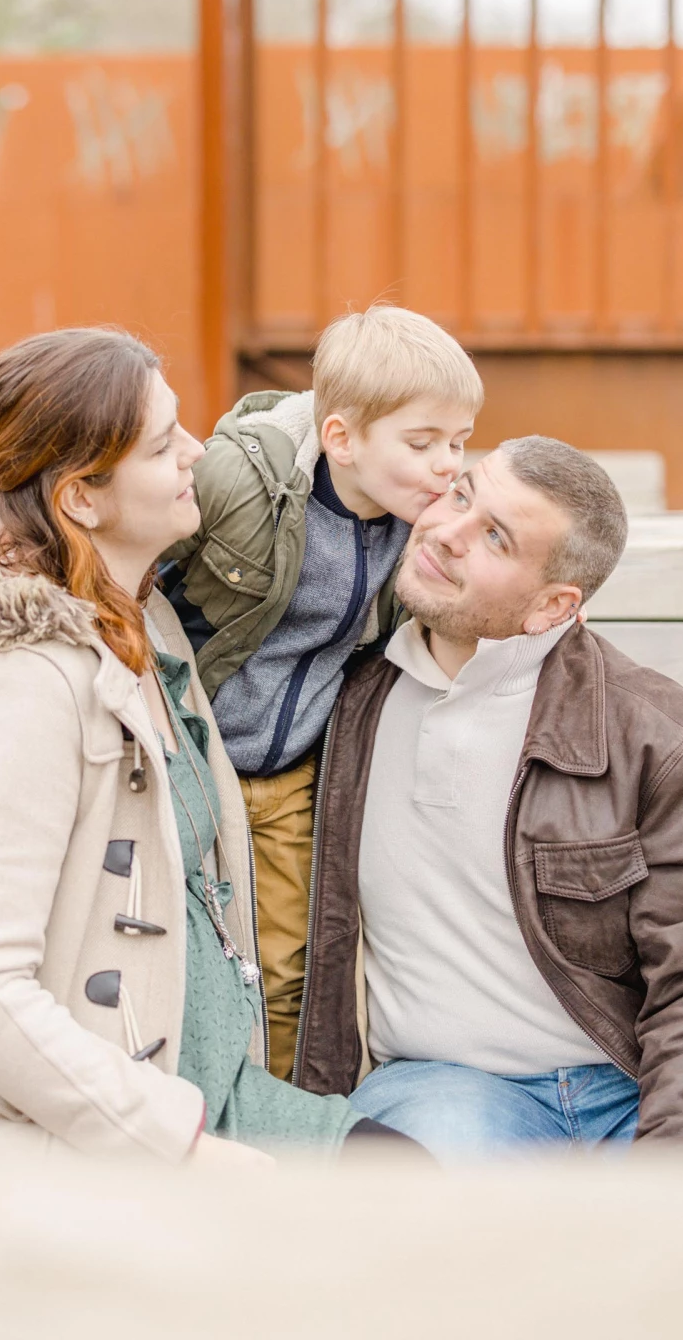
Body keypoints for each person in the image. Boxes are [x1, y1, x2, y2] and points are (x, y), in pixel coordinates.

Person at [0, 326, 405, 1162]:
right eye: (165, 444)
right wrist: (184, 1153)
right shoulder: (20, 686)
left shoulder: (147, 619)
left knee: (415, 1173)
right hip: (51, 1143)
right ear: (82, 500)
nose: (198, 453)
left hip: (204, 1089)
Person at [291, 437, 683, 1174]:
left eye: (496, 537)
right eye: (461, 495)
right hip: (454, 1088)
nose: (448, 534)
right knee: (421, 1186)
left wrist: (671, 1184)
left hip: (638, 1084)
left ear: (552, 607)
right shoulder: (345, 698)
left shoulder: (655, 734)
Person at [159, 304, 483, 1079]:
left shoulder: (423, 529)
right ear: (342, 439)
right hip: (190, 758)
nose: (449, 465)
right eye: (423, 443)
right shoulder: (240, 482)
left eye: (460, 443)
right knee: (171, 942)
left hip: (293, 774)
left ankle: (269, 1115)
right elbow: (136, 564)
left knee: (288, 966)